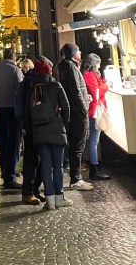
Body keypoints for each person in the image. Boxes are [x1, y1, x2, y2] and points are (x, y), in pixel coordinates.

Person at [28, 56, 72, 211]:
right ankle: (59, 197)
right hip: (56, 129)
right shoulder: (55, 85)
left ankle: (50, 200)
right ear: (49, 71)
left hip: (39, 132)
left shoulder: (32, 87)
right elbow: (66, 107)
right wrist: (64, 123)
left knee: (46, 165)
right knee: (58, 166)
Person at [56, 43, 93, 191]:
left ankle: (75, 177)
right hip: (77, 113)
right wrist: (83, 108)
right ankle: (75, 179)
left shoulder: (63, 67)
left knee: (75, 146)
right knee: (78, 146)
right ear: (72, 53)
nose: (80, 52)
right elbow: (75, 90)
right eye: (78, 51)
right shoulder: (70, 68)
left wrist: (85, 97)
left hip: (73, 111)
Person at [0, 47, 23, 188]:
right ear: (13, 57)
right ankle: (10, 175)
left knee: (2, 142)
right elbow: (20, 89)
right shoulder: (15, 70)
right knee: (13, 142)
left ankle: (4, 171)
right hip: (12, 109)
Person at [15, 58, 43, 205]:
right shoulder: (32, 82)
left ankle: (33, 190)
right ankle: (29, 191)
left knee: (34, 158)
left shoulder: (26, 82)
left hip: (28, 124)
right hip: (33, 125)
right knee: (33, 158)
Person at [82, 53, 111, 180]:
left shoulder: (90, 75)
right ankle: (94, 168)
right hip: (94, 111)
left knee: (93, 140)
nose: (99, 65)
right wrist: (105, 86)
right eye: (98, 63)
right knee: (94, 140)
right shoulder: (89, 75)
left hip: (94, 109)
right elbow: (96, 92)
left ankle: (94, 167)